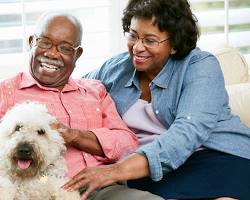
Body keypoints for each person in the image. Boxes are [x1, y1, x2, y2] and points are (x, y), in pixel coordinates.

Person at [64, 0, 250, 200]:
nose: (137, 47)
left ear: (175, 44)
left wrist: (114, 171)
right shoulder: (116, 68)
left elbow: (187, 133)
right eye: (133, 35)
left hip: (213, 158)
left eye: (150, 40)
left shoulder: (200, 66)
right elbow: (71, 90)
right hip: (147, 172)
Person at [0, 12, 164, 200]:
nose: (52, 53)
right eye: (44, 42)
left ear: (77, 54)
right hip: (35, 188)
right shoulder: (5, 92)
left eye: (65, 48)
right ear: (31, 42)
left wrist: (74, 136)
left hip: (101, 189)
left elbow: (127, 142)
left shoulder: (95, 91)